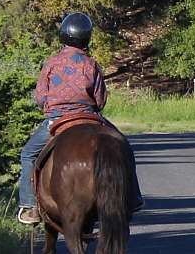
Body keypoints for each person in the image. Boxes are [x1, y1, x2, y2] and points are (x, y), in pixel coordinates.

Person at [17, 12, 143, 224]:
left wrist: (51, 107)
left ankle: (30, 206)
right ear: (87, 38)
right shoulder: (91, 64)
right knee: (124, 145)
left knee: (28, 154)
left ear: (63, 35)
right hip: (89, 116)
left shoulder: (51, 63)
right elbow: (100, 99)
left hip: (57, 119)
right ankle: (133, 197)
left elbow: (40, 97)